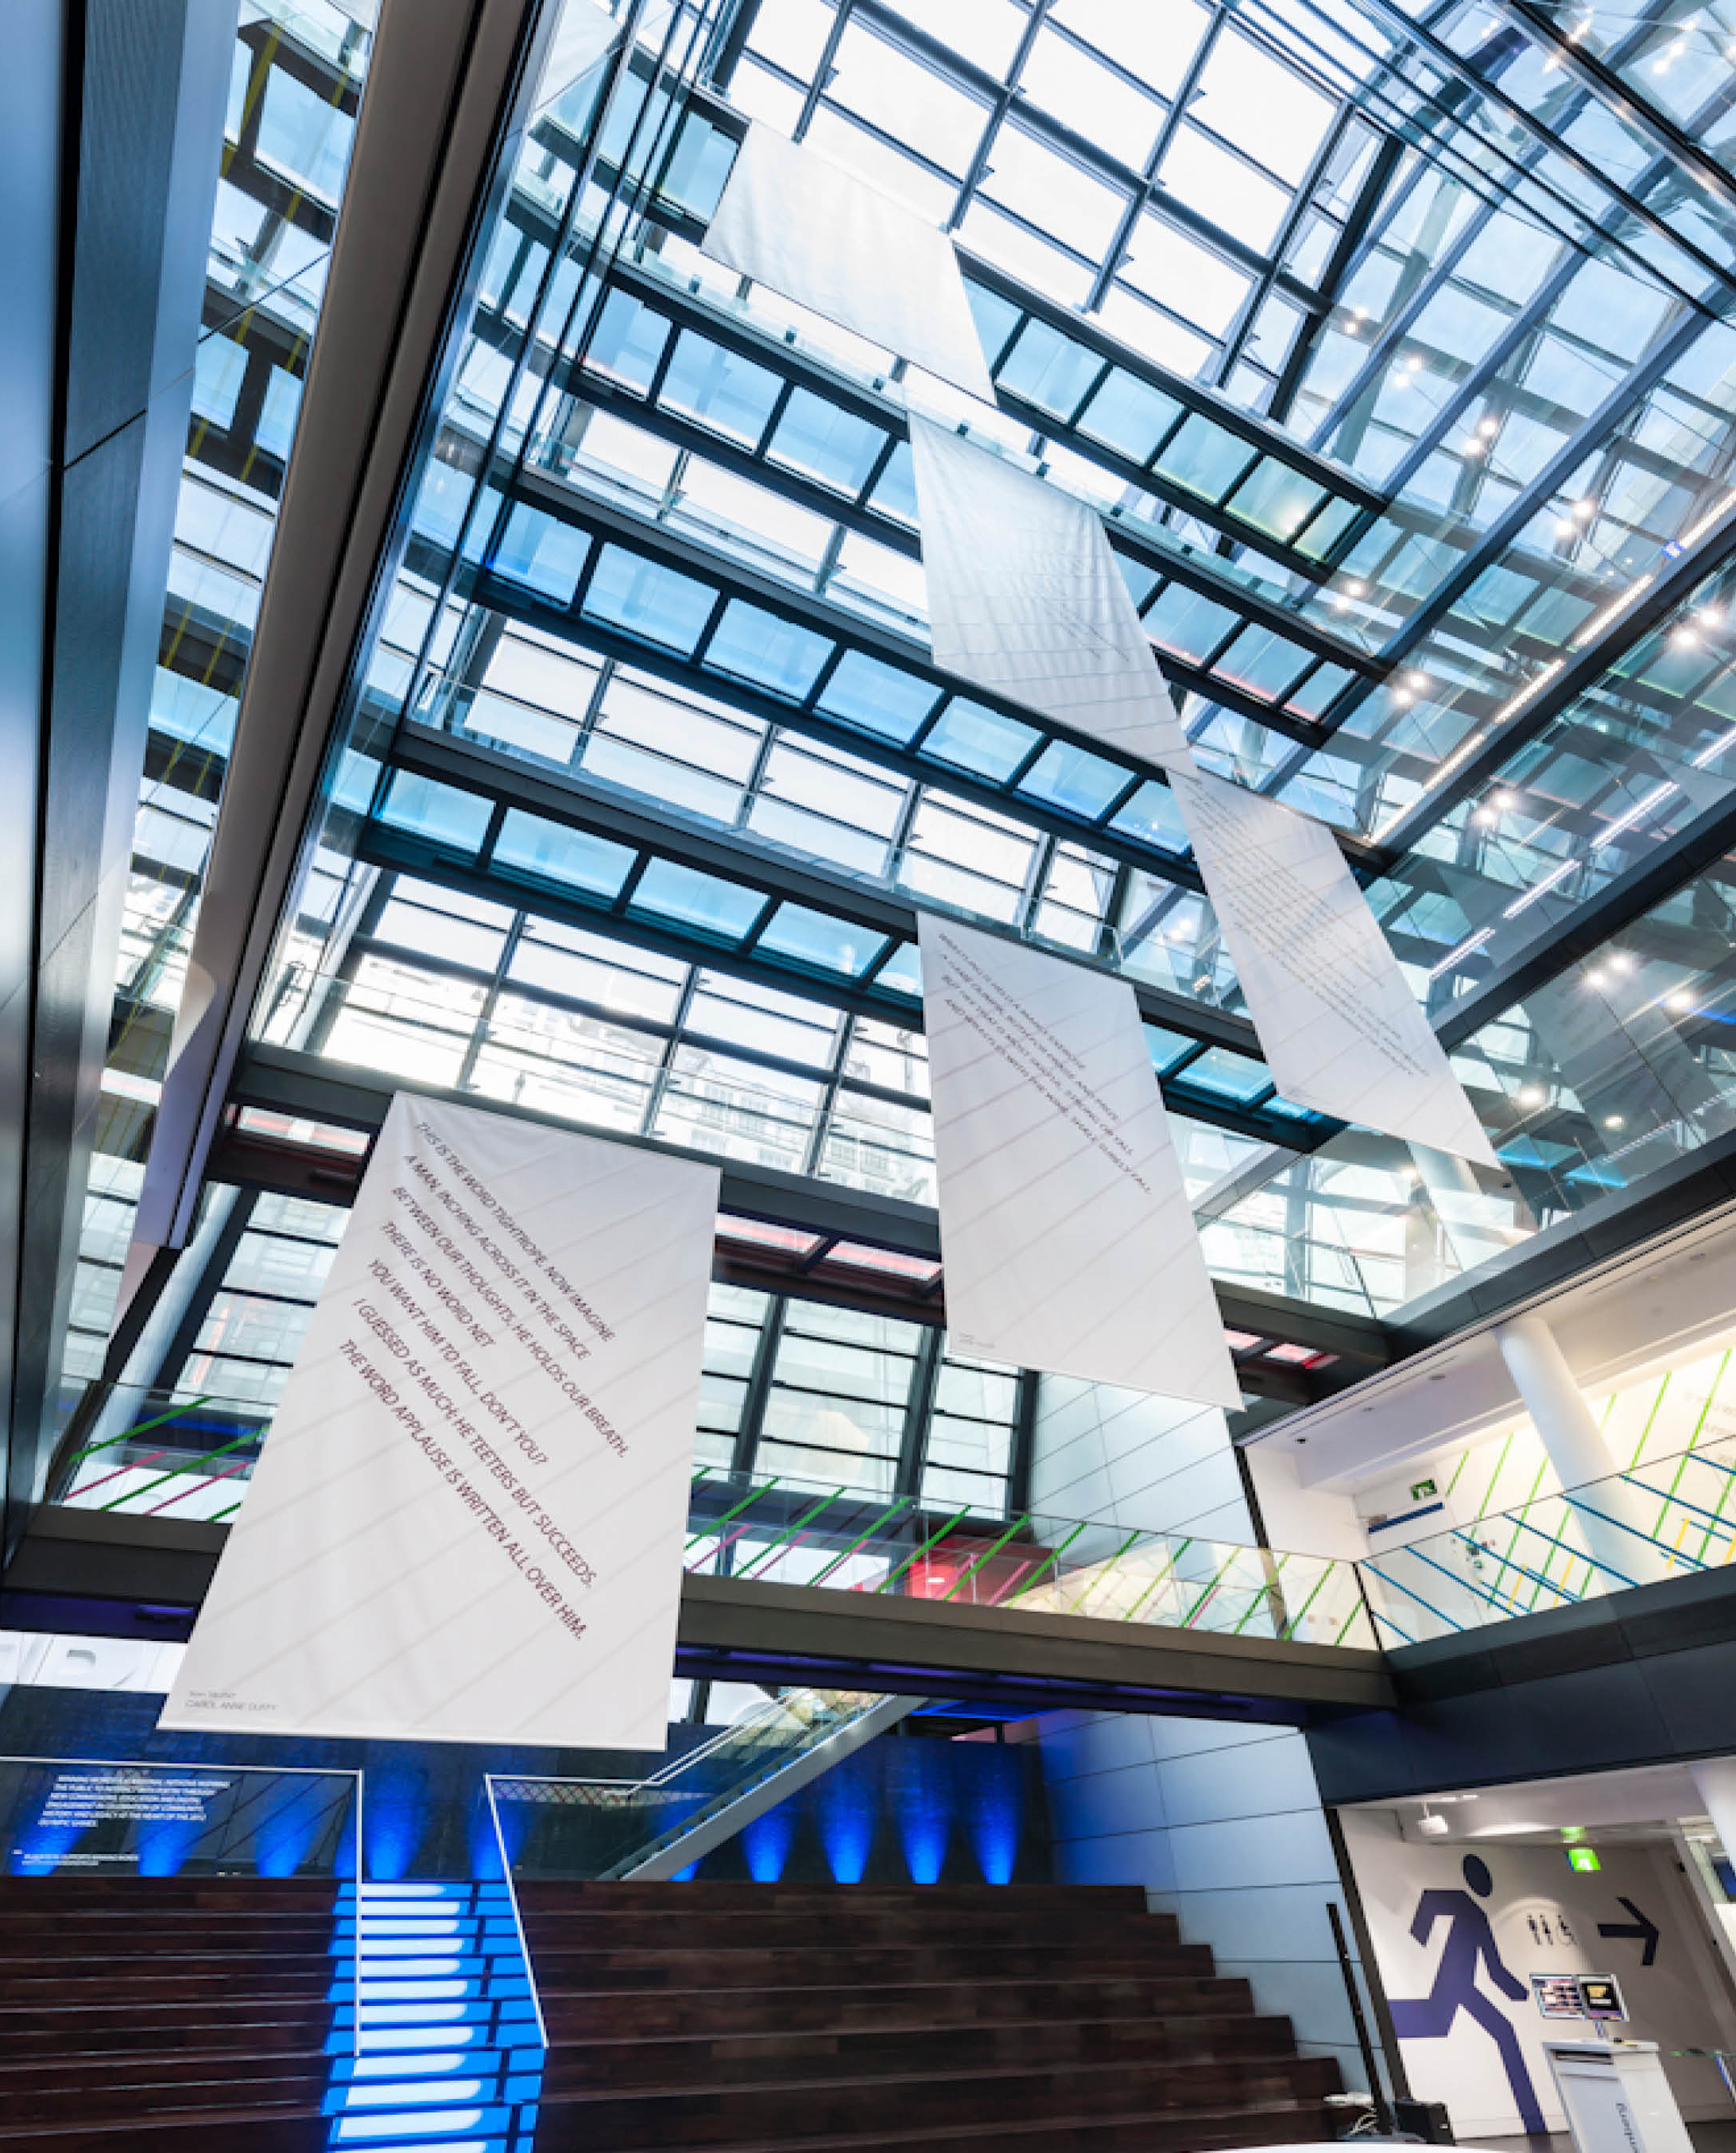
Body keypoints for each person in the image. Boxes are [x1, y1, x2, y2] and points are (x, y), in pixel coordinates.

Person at [1389, 1853, 1544, 2134]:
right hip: (1453, 1992)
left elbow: (1494, 1970)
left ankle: (1532, 2117)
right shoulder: (1471, 1911)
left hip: (1461, 1990)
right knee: (1503, 2033)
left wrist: (1523, 1993)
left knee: (1504, 2032)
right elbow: (1495, 1970)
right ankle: (1533, 2116)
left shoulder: (1465, 1908)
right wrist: (1521, 1993)